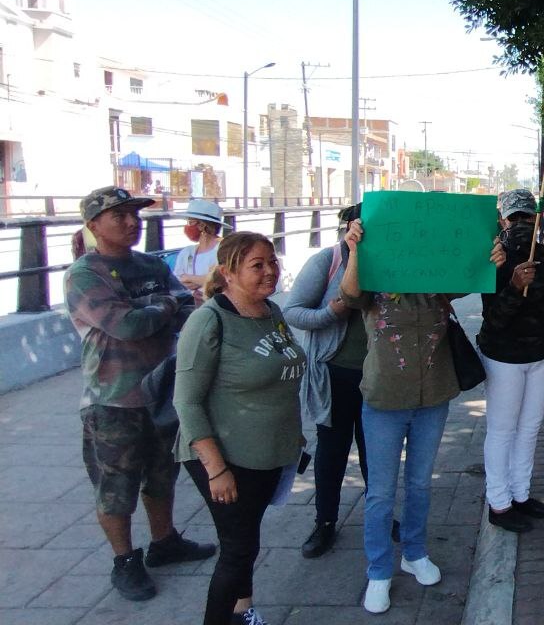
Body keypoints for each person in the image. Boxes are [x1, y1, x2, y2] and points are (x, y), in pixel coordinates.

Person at [341, 215, 507, 614]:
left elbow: (470, 275)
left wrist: (492, 253)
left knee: (419, 484)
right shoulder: (375, 286)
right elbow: (349, 294)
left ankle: (413, 552)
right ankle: (378, 570)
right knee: (380, 493)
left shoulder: (435, 288)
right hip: (383, 402)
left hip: (433, 398)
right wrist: (354, 251)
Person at [64, 186, 213, 603]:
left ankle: (165, 541)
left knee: (163, 473)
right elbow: (125, 325)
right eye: (119, 216)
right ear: (93, 225)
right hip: (113, 400)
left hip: (162, 391)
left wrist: (158, 305)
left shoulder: (150, 264)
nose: (132, 223)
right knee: (116, 486)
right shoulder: (84, 274)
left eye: (135, 215)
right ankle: (125, 560)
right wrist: (165, 305)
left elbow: (191, 307)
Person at [173, 232, 304, 625]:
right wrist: (217, 469)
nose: (270, 272)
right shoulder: (209, 321)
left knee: (246, 540)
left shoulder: (270, 311)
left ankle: (242, 611)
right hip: (225, 458)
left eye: (273, 262)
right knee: (238, 549)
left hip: (268, 454)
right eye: (257, 265)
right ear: (229, 273)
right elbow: (187, 401)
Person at [480, 190, 544, 533]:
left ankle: (521, 494)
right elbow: (494, 319)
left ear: (535, 218)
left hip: (541, 356)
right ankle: (499, 504)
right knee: (502, 430)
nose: (521, 224)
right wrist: (515, 285)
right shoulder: (494, 257)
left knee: (530, 429)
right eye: (514, 218)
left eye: (526, 217)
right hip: (504, 358)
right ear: (502, 220)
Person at [283, 204, 369, 558]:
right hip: (334, 374)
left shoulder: (392, 261)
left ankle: (379, 516)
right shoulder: (328, 260)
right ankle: (325, 521)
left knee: (375, 453)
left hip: (379, 377)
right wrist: (330, 313)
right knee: (332, 450)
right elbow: (292, 311)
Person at [172, 199, 227, 304]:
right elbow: (177, 282)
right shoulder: (186, 252)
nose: (187, 227)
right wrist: (203, 280)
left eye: (190, 222)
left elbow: (222, 280)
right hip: (190, 306)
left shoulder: (225, 249)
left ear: (202, 225)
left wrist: (188, 277)